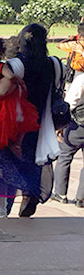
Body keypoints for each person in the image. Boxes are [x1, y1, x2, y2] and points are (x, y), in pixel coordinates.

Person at [0, 23, 58, 218]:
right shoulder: (54, 64)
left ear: (20, 42)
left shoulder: (14, 65)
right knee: (24, 166)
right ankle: (29, 193)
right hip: (36, 127)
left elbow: (2, 91)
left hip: (7, 126)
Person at [52, 70, 84, 208]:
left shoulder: (81, 79)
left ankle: (60, 193)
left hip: (78, 125)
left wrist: (60, 124)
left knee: (65, 155)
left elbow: (70, 102)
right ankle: (81, 198)